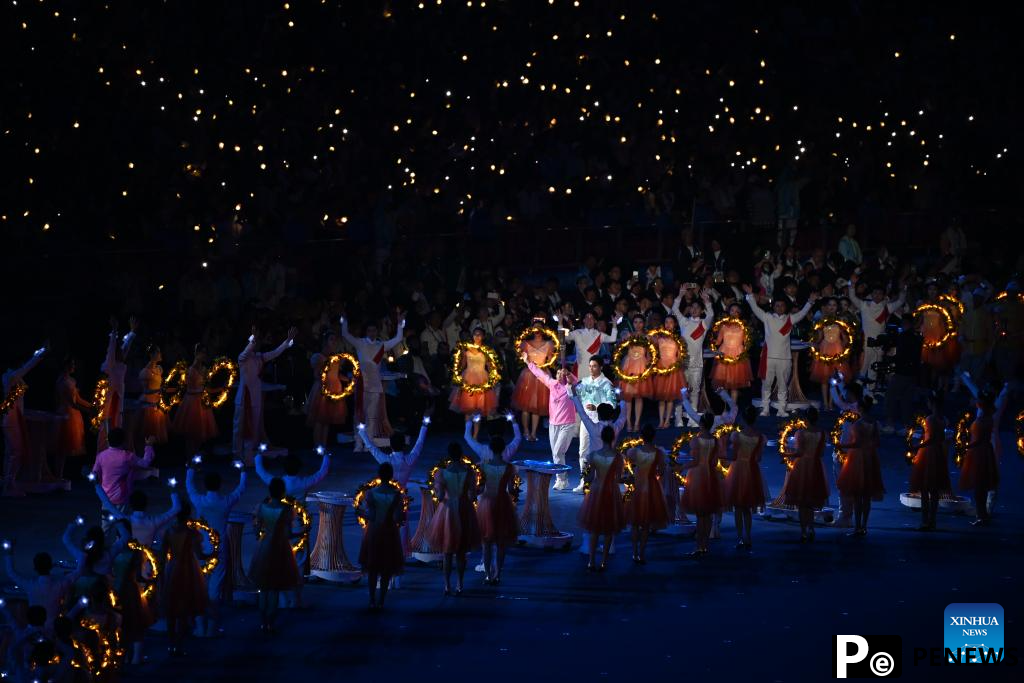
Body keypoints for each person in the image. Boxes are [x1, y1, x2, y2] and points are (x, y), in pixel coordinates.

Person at [186, 459, 246, 636]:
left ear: (205, 485)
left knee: (200, 584)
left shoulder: (199, 501)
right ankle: (210, 628)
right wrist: (243, 471)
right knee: (215, 586)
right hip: (219, 549)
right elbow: (241, 490)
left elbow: (189, 487)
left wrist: (190, 470)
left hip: (201, 548)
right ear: (220, 485)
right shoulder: (226, 501)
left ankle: (199, 626)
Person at [744, 285, 817, 417]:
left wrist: (810, 302)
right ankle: (765, 408)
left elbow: (802, 313)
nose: (779, 308)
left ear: (786, 307)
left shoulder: (790, 319)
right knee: (766, 385)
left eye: (782, 306)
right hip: (768, 358)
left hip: (784, 358)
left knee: (783, 385)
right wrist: (750, 296)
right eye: (777, 306)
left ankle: (782, 409)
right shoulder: (767, 317)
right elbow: (755, 309)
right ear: (773, 307)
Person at [341, 314, 405, 452]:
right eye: (369, 330)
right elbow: (345, 334)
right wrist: (344, 320)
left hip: (375, 386)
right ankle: (358, 443)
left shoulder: (381, 345)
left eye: (374, 330)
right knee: (359, 415)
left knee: (371, 416)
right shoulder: (360, 342)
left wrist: (400, 324)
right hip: (361, 384)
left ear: (377, 331)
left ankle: (368, 445)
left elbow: (398, 338)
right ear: (366, 331)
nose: (372, 333)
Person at [234, 326, 297, 465]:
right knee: (239, 429)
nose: (258, 344)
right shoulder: (242, 358)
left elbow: (275, 353)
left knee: (253, 427)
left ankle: (249, 457)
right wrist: (253, 339)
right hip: (244, 399)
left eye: (258, 341)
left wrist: (287, 341)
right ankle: (237, 456)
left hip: (255, 398)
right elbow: (246, 351)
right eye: (256, 341)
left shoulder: (260, 358)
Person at [426, 443, 481, 595]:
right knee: (461, 551)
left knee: (447, 551)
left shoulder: (442, 473)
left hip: (448, 511)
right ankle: (460, 584)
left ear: (449, 456)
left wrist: (436, 489)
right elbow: (472, 496)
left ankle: (447, 585)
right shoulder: (469, 472)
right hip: (464, 509)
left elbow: (441, 496)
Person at [521, 352, 578, 490]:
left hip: (568, 424)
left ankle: (562, 479)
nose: (559, 375)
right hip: (553, 424)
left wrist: (569, 375)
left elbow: (576, 381)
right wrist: (528, 361)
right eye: (557, 373)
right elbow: (540, 374)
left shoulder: (571, 387)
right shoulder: (552, 384)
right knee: (556, 453)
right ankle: (562, 480)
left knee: (558, 452)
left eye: (562, 373)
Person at [249, 478, 299, 632]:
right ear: (283, 491)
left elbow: (256, 527)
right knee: (274, 588)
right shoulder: (287, 509)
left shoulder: (261, 507)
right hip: (279, 547)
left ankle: (263, 622)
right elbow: (288, 534)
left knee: (264, 588)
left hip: (264, 547)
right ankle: (270, 623)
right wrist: (302, 532)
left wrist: (260, 534)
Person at [356, 462, 407, 609]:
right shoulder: (396, 495)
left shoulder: (371, 493)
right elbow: (397, 518)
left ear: (379, 475)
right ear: (391, 476)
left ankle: (372, 599)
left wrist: (361, 513)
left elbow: (371, 516)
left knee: (372, 567)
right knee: (386, 568)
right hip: (390, 533)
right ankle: (381, 601)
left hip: (374, 532)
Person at [160, 504, 209, 654]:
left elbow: (162, 555)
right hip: (188, 569)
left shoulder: (168, 531)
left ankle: (171, 644)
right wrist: (212, 556)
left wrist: (161, 574)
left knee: (171, 608)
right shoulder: (191, 533)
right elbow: (200, 555)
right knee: (183, 610)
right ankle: (179, 645)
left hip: (172, 568)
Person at [847, 275, 906, 393]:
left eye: (880, 293)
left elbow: (900, 301)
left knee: (875, 367)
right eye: (875, 293)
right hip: (865, 342)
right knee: (863, 367)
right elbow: (852, 297)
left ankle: (870, 392)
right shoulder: (864, 305)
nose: (877, 295)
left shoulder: (886, 308)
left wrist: (902, 289)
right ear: (872, 294)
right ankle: (857, 392)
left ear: (884, 295)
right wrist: (852, 285)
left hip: (879, 342)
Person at [577, 426, 625, 571]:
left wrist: (586, 476)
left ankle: (591, 561)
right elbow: (618, 478)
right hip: (611, 491)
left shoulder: (593, 455)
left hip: (597, 491)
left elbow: (590, 477)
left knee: (595, 528)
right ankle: (604, 561)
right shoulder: (618, 457)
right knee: (609, 528)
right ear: (613, 438)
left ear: (601, 437)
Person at [2, 545, 79, 634]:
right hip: (54, 629)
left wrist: (9, 552)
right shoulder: (60, 584)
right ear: (51, 566)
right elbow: (78, 571)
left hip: (33, 631)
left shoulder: (30, 585)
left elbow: (11, 573)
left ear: (35, 568)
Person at [571, 373, 626, 494]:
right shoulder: (615, 428)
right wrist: (622, 400)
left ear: (599, 415)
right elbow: (622, 417)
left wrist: (575, 395)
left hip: (596, 464)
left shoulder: (594, 428)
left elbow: (583, 415)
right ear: (612, 415)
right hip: (611, 463)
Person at [836, 396, 884, 536]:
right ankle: (864, 526)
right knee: (867, 495)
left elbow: (856, 444)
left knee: (857, 495)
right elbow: (877, 442)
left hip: (857, 459)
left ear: (861, 409)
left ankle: (857, 527)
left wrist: (841, 445)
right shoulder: (874, 423)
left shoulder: (857, 424)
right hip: (870, 458)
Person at [623, 424, 670, 563]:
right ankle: (641, 553)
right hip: (651, 487)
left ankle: (635, 552)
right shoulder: (658, 453)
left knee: (635, 522)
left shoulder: (634, 452)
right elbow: (661, 472)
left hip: (639, 486)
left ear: (641, 437)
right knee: (646, 524)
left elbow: (628, 463)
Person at [782, 406, 829, 541]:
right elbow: (821, 453)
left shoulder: (801, 434)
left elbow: (799, 452)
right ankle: (811, 528)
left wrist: (786, 453)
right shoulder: (822, 433)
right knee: (811, 499)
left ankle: (803, 531)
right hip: (815, 465)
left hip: (802, 466)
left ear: (806, 419)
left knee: (803, 501)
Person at [476, 441, 520, 585]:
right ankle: (497, 574)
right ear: (503, 449)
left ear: (490, 448)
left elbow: (481, 489)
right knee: (501, 542)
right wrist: (516, 491)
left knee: (486, 542)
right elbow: (511, 489)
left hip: (487, 503)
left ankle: (488, 575)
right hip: (502, 502)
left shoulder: (483, 466)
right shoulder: (509, 467)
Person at [679, 412, 722, 556]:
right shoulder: (714, 440)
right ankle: (705, 545)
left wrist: (681, 467)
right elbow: (715, 462)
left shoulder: (696, 441)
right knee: (707, 512)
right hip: (709, 474)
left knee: (700, 513)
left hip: (698, 475)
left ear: (701, 424)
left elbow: (696, 461)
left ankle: (699, 546)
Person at [723, 405, 766, 549]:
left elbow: (734, 455)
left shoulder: (737, 435)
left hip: (738, 469)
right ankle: (748, 536)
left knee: (738, 507)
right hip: (751, 469)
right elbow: (758, 458)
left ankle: (740, 537)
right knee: (747, 507)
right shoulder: (760, 437)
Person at [672, 287, 715, 426]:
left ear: (702, 310)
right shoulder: (684, 321)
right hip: (683, 363)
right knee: (681, 391)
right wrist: (680, 295)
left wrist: (707, 301)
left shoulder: (703, 324)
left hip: (697, 364)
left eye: (698, 307)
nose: (694, 309)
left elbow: (711, 315)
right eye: (692, 307)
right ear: (690, 310)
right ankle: (678, 418)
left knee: (695, 391)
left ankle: (693, 419)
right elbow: (675, 309)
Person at [909, 391, 951, 531]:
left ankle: (925, 521)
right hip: (938, 453)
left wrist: (916, 446)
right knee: (934, 491)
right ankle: (932, 520)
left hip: (928, 454)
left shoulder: (930, 419)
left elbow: (930, 439)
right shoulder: (943, 419)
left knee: (926, 489)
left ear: (932, 404)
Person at [91, 430, 156, 519]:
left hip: (105, 497)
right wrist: (149, 446)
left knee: (105, 527)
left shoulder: (101, 456)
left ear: (108, 440)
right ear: (124, 441)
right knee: (122, 524)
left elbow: (94, 474)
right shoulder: (127, 456)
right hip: (122, 497)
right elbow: (145, 463)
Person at [451, 327, 500, 439]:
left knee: (479, 409)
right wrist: (456, 375)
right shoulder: (466, 349)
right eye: (475, 334)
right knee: (468, 408)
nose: (477, 337)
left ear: (483, 336)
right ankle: (467, 433)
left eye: (479, 335)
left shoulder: (486, 350)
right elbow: (463, 364)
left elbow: (490, 366)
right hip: (468, 378)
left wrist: (494, 376)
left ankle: (475, 435)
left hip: (482, 378)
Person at [112, 540, 156, 664]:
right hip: (130, 590)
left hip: (118, 589)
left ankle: (124, 657)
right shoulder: (136, 553)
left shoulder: (116, 552)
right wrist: (151, 580)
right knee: (136, 623)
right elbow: (138, 576)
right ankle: (136, 658)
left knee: (123, 624)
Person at [959, 393, 1000, 525]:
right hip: (982, 451)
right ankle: (982, 515)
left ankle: (982, 516)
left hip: (979, 453)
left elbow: (979, 440)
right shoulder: (986, 418)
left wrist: (966, 446)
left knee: (979, 486)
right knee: (980, 486)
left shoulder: (984, 420)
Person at [97, 317, 137, 450]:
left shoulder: (120, 361)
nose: (123, 351)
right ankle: (105, 449)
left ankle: (116, 448)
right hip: (109, 396)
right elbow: (112, 346)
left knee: (118, 421)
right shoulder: (111, 363)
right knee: (107, 421)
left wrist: (132, 331)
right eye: (120, 350)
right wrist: (114, 331)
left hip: (118, 397)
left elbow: (125, 346)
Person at [172, 344, 218, 455]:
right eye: (201, 353)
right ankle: (189, 461)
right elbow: (186, 386)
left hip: (201, 402)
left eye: (204, 353)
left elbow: (207, 388)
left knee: (199, 435)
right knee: (191, 434)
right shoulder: (190, 370)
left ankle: (194, 459)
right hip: (191, 402)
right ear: (196, 353)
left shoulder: (204, 369)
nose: (203, 355)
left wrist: (221, 389)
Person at [96, 484, 180, 546]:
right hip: (147, 565)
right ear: (146, 504)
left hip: (126, 566)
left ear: (130, 505)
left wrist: (95, 483)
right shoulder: (154, 521)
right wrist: (173, 490)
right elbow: (176, 508)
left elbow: (108, 504)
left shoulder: (125, 519)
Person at [511, 325, 556, 441]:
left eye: (539, 329)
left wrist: (552, 359)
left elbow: (551, 359)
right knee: (526, 406)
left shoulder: (549, 344)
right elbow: (520, 357)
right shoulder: (525, 343)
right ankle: (526, 431)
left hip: (541, 375)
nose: (537, 331)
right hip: (528, 375)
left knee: (537, 406)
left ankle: (534, 432)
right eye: (535, 329)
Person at [306, 331, 349, 451]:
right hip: (322, 389)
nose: (334, 342)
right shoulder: (319, 357)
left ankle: (323, 445)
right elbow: (316, 375)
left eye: (335, 340)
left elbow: (337, 374)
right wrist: (323, 377)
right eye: (331, 339)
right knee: (320, 419)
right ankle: (317, 446)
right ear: (325, 342)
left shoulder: (335, 357)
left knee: (327, 420)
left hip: (334, 388)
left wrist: (350, 379)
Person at [53, 357, 94, 478]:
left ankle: (60, 475)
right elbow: (72, 403)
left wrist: (92, 405)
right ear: (65, 366)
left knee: (65, 448)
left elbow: (78, 399)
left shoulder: (71, 380)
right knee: (62, 447)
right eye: (72, 364)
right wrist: (88, 410)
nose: (74, 367)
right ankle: (58, 476)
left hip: (72, 414)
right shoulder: (62, 381)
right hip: (66, 414)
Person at [360, 417, 430, 487]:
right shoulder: (409, 460)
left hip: (389, 495)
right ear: (404, 445)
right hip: (402, 496)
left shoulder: (386, 460)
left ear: (390, 446)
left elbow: (371, 447)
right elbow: (420, 443)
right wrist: (425, 423)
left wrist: (361, 430)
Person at [810, 299, 854, 411]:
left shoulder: (841, 320)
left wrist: (842, 349)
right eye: (829, 305)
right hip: (825, 348)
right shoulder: (821, 320)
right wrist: (814, 344)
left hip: (837, 349)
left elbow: (845, 338)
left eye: (834, 305)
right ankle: (825, 403)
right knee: (824, 378)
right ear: (826, 307)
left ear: (837, 307)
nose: (832, 307)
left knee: (836, 378)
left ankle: (833, 402)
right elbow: (819, 337)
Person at [710, 303, 753, 404]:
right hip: (724, 354)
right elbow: (718, 341)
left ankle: (733, 409)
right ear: (729, 312)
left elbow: (747, 342)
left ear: (740, 313)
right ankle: (725, 408)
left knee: (734, 387)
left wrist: (746, 349)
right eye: (732, 310)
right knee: (722, 385)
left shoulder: (743, 327)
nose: (734, 313)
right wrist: (711, 341)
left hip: (738, 355)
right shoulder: (724, 326)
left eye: (736, 311)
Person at [617, 315, 653, 431]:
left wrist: (648, 365)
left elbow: (649, 353)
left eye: (640, 322)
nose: (638, 324)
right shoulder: (628, 335)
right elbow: (620, 344)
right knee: (628, 397)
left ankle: (637, 423)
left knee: (638, 396)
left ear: (644, 323)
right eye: (635, 322)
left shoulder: (648, 337)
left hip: (641, 365)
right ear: (633, 324)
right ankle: (628, 422)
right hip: (629, 365)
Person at [650, 315, 686, 429]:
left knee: (670, 397)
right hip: (661, 367)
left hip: (673, 368)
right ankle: (661, 421)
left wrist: (677, 364)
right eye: (666, 322)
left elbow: (680, 356)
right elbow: (651, 348)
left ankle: (667, 421)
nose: (669, 324)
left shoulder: (679, 339)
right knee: (661, 398)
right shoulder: (659, 338)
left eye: (671, 322)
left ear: (675, 324)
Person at [256, 449, 330, 500]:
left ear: (284, 467)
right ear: (299, 468)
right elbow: (322, 473)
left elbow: (261, 471)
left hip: (283, 514)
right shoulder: (304, 482)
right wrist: (325, 455)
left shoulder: (277, 483)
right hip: (299, 515)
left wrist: (259, 454)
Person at [134, 344, 170, 446]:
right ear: (151, 354)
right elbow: (145, 391)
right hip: (148, 405)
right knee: (147, 435)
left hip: (157, 403)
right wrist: (159, 389)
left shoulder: (159, 369)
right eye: (158, 352)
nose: (160, 354)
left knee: (155, 435)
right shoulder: (145, 372)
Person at [564, 312, 619, 376]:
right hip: (579, 369)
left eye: (591, 318)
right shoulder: (577, 333)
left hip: (593, 369)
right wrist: (560, 323)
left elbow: (613, 339)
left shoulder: (599, 335)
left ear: (595, 321)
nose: (589, 320)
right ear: (583, 320)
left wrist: (614, 324)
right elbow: (563, 338)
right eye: (587, 317)